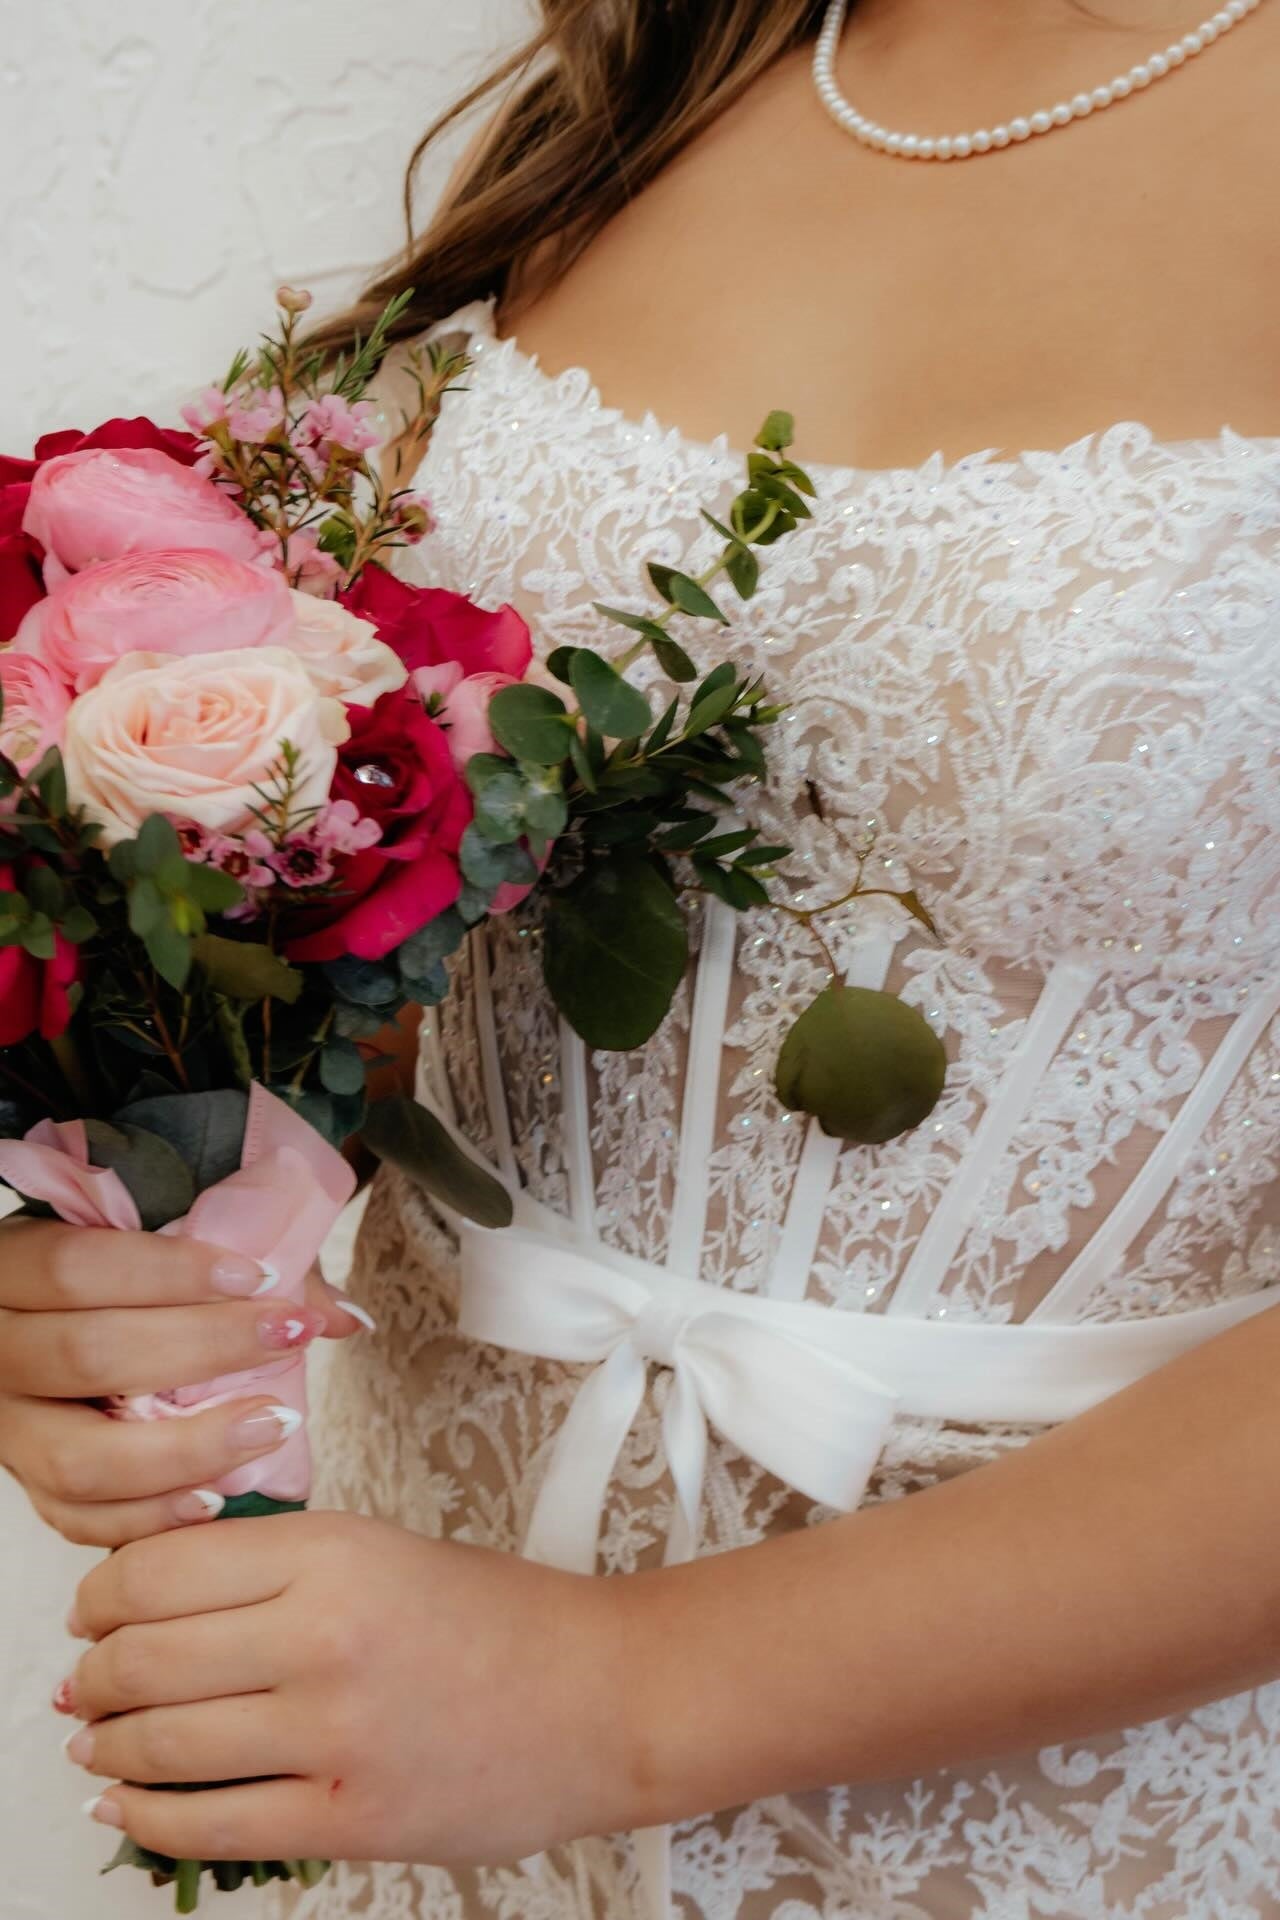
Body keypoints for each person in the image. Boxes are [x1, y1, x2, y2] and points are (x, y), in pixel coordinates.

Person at [4, 0, 1279, 1913]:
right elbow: (469, 914)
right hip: (417, 1735)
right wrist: (149, 1238)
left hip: (1058, 1805)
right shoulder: (682, 66)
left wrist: (627, 1695)